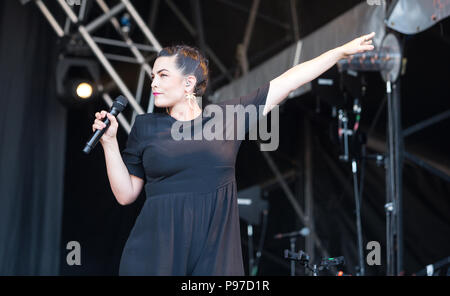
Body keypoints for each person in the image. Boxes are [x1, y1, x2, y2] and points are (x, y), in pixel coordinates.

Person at [92, 33, 375, 276]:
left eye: (163, 75)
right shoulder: (146, 126)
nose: (154, 83)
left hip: (212, 256)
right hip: (154, 255)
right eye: (153, 76)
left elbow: (289, 80)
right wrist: (109, 142)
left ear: (189, 83)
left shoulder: (227, 119)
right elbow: (125, 194)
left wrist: (339, 52)